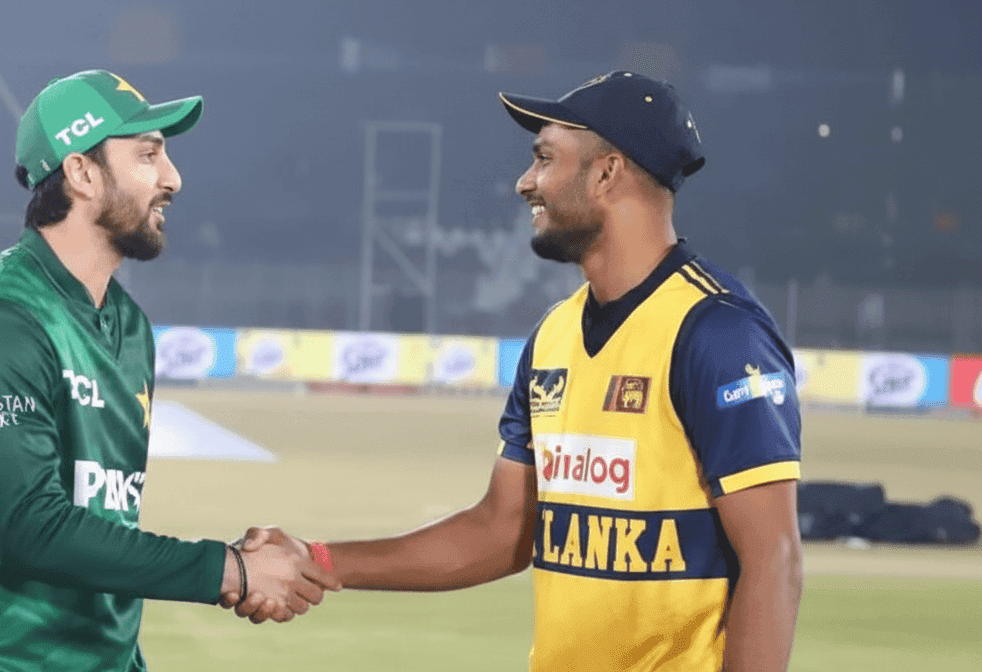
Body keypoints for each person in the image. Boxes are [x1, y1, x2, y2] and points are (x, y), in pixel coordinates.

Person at [235, 71, 804, 672]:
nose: (525, 181)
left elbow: (775, 561)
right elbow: (500, 533)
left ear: (606, 172)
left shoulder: (717, 332)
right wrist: (319, 560)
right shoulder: (555, 334)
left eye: (544, 159)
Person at [0, 70, 338, 672]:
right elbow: (30, 531)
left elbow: (103, 525)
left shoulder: (128, 325)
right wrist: (228, 570)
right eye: (148, 155)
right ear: (82, 173)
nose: (173, 179)